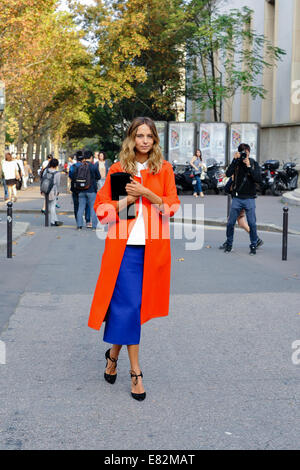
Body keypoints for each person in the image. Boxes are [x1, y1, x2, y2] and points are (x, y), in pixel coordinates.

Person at [88, 116, 180, 401]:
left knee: (133, 310)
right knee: (129, 308)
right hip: (124, 250)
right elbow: (101, 210)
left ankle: (112, 356)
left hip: (153, 251)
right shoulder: (118, 170)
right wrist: (126, 201)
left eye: (149, 136)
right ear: (131, 139)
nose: (144, 140)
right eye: (139, 135)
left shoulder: (164, 169)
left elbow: (172, 207)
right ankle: (136, 373)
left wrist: (147, 193)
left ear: (154, 140)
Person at [220, 143, 263, 255]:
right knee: (230, 223)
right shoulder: (237, 163)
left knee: (252, 223)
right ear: (239, 152)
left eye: (246, 152)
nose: (245, 154)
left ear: (249, 152)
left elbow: (258, 179)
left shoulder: (253, 163)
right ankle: (229, 244)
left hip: (249, 198)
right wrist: (234, 161)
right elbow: (228, 174)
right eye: (242, 152)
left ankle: (253, 245)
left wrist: (249, 166)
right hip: (237, 198)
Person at [76, 150, 100, 230]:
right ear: (91, 157)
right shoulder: (93, 166)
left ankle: (79, 225)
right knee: (93, 208)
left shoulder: (80, 166)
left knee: (80, 208)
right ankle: (94, 226)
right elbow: (99, 177)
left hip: (81, 190)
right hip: (91, 190)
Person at [69, 150, 91, 227]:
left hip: (75, 188)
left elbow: (70, 176)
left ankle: (78, 221)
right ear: (83, 159)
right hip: (84, 188)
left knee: (76, 205)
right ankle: (88, 221)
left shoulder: (73, 166)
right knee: (87, 204)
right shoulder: (86, 166)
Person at [46, 158, 63, 227]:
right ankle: (52, 221)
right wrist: (58, 191)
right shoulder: (57, 173)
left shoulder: (46, 171)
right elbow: (58, 183)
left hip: (46, 190)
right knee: (52, 206)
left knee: (50, 205)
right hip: (53, 190)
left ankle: (55, 220)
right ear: (56, 165)